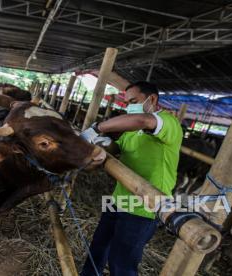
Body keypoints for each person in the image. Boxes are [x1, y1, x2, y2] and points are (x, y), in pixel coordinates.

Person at [80, 81, 183, 276]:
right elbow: (118, 149)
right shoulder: (132, 131)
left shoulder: (168, 122)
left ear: (152, 99)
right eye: (127, 103)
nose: (129, 107)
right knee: (98, 249)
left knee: (121, 263)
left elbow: (143, 120)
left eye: (133, 101)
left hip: (144, 206)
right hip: (117, 199)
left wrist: (97, 129)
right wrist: (103, 144)